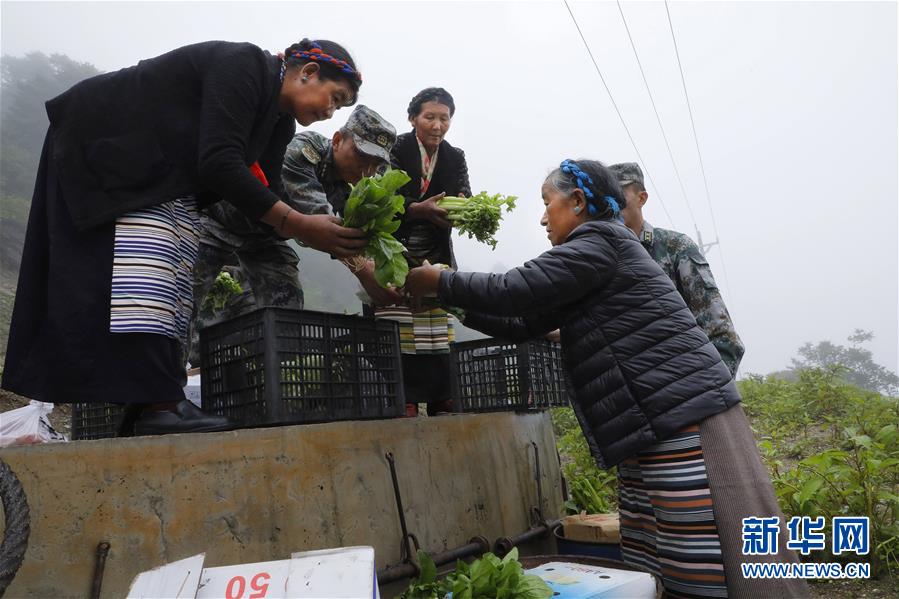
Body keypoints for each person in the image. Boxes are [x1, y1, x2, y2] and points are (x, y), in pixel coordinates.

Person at [404, 159, 808, 598]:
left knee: (699, 553)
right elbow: (522, 320)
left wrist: (439, 281)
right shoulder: (592, 256)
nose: (542, 217)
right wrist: (446, 300)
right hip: (651, 424)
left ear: (577, 202)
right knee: (658, 553)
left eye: (547, 204)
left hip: (681, 422)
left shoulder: (598, 241)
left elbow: (511, 289)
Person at [1, 39, 368, 436]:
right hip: (112, 147)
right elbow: (219, 162)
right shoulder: (244, 65)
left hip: (163, 176)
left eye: (340, 106)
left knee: (175, 281)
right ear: (308, 71)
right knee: (149, 275)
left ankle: (147, 403)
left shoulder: (278, 121)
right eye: (335, 97)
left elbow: (265, 188)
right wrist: (295, 223)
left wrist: (313, 233)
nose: (331, 111)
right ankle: (160, 404)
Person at [188, 104, 403, 366]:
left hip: (266, 238)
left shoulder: (362, 182)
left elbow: (359, 232)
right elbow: (323, 226)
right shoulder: (303, 151)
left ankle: (281, 373)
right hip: (219, 224)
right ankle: (188, 378)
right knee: (194, 301)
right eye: (361, 157)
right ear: (337, 140)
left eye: (376, 164)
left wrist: (387, 275)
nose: (367, 170)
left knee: (286, 300)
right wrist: (365, 272)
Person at [376, 87, 471, 416]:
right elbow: (383, 197)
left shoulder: (455, 156)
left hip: (436, 248)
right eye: (429, 117)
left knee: (435, 323)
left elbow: (464, 191)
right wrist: (419, 210)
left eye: (444, 118)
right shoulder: (396, 148)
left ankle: (442, 396)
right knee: (399, 320)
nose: (437, 125)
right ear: (413, 117)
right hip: (395, 246)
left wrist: (462, 204)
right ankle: (405, 398)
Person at [610, 162, 744, 377]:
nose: (612, 206)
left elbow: (723, 337)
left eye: (618, 196)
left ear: (641, 198)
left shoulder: (674, 247)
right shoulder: (604, 260)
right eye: (605, 199)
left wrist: (711, 394)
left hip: (690, 390)